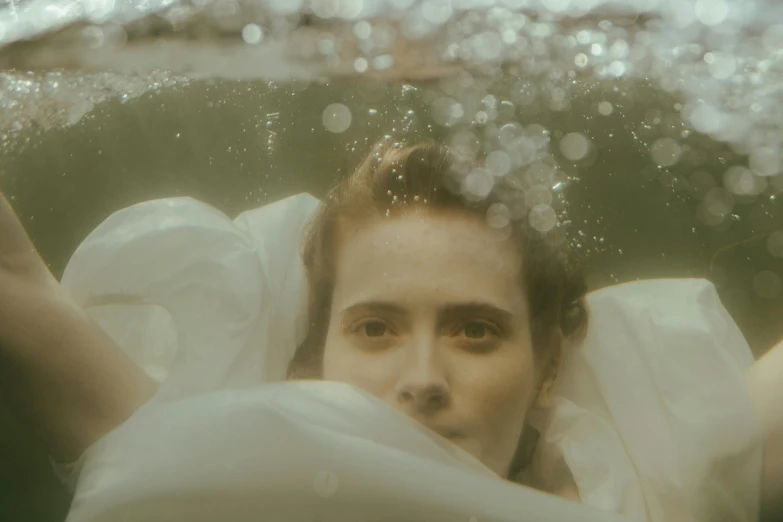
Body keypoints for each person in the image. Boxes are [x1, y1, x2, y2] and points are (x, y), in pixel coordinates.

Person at [0, 140, 781, 520]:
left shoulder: (664, 481)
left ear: (546, 370)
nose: (422, 379)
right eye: (374, 328)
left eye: (475, 332)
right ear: (319, 354)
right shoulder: (196, 468)